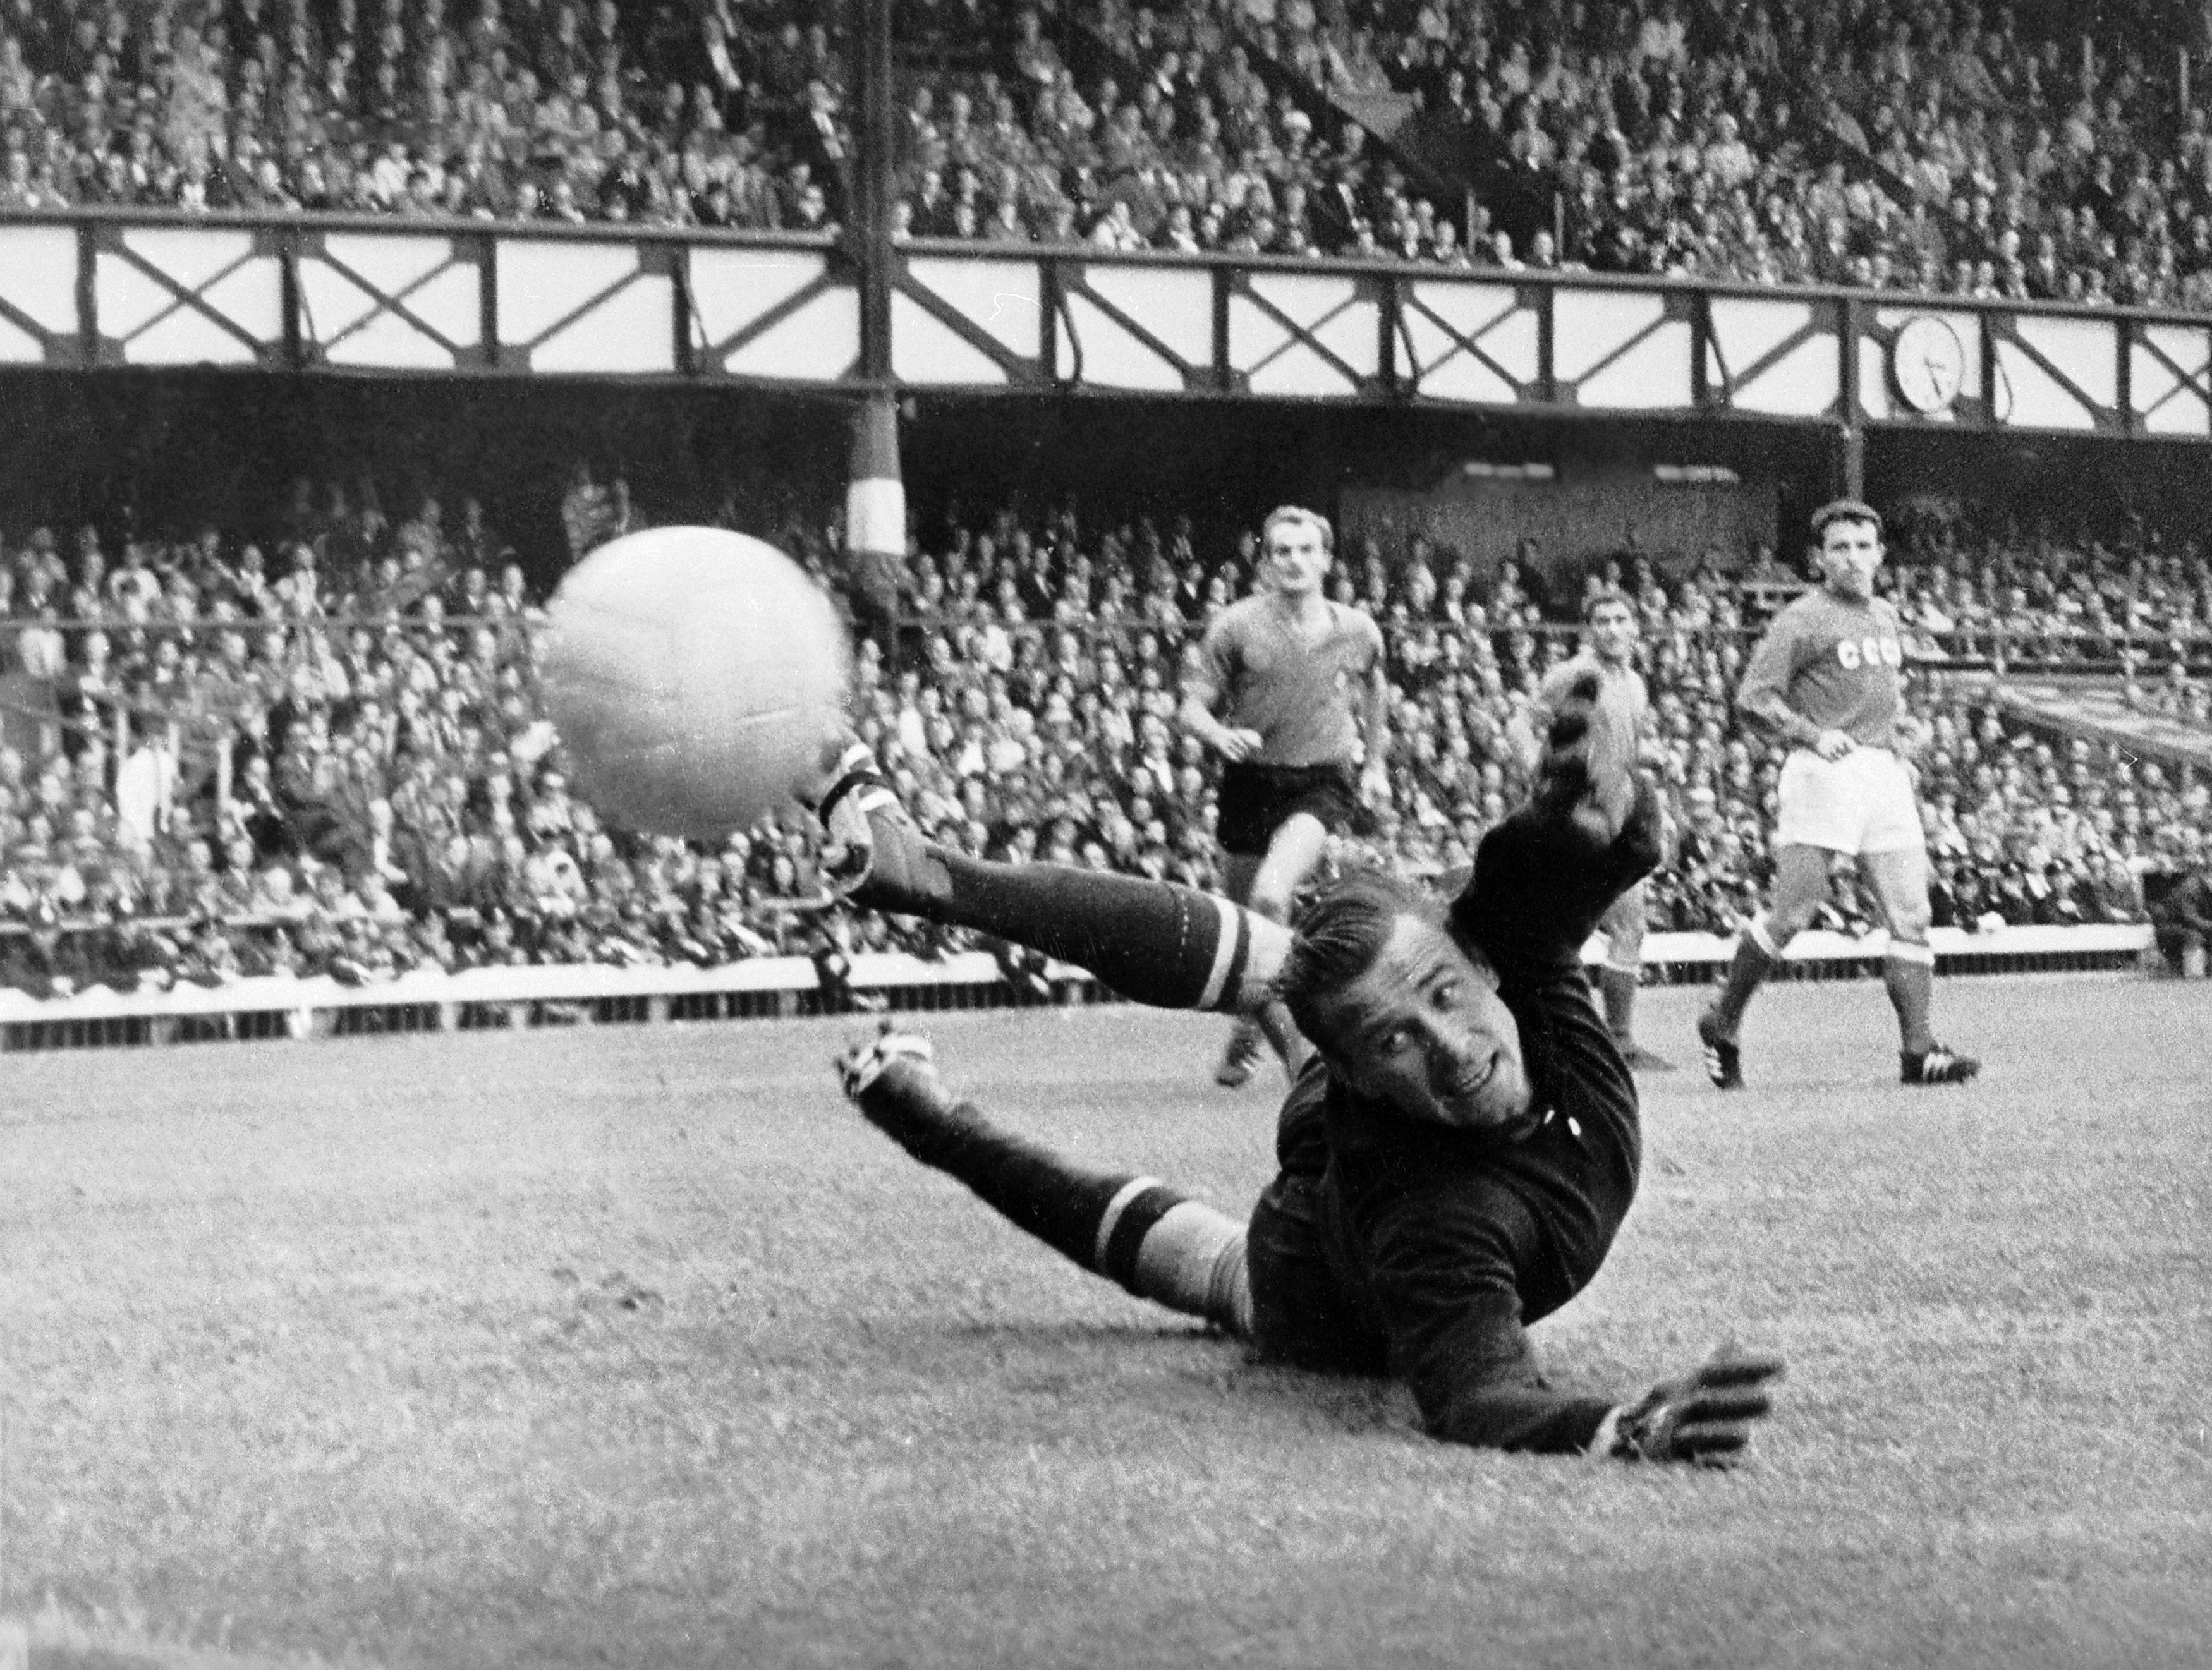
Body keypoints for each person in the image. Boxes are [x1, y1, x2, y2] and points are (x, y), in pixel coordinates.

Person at [806, 675, 1785, 1463]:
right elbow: (1479, 1392)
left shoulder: (1506, 960)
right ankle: (925, 1097)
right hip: (1308, 1274)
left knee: (1305, 970)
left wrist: (1591, 797)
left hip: (1360, 1072)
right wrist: (1617, 1425)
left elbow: (1535, 879)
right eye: (1402, 1039)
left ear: (1481, 968)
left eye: (1447, 999)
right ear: (1361, 1074)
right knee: (1220, 1207)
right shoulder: (1435, 1219)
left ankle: (922, 870)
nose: (1453, 1047)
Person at [1696, 501, 1980, 1090]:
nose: (1852, 557)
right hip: (1825, 770)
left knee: (1912, 914)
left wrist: (1900, 731)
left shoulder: (1884, 614)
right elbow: (1754, 697)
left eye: (1862, 545)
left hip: (1882, 771)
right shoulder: (1801, 618)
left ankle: (1919, 1051)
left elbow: (1875, 691)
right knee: (1792, 915)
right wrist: (1811, 732)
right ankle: (1722, 1022)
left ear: (1880, 553)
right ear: (1820, 558)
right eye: (1840, 547)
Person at [1179, 506, 1389, 1089]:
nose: (1294, 561)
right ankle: (1250, 1023)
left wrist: (1374, 763)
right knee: (1247, 926)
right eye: (1282, 551)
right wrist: (1218, 734)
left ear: (1325, 559)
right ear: (1266, 562)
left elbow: (1375, 687)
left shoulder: (1356, 628)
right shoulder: (1236, 626)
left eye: (1305, 550)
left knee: (1273, 896)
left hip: (1321, 778)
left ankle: (1304, 1060)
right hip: (1251, 782)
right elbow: (1190, 705)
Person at [1521, 588, 1671, 1070]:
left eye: (1620, 618)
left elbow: (1621, 747)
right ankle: (1597, 1041)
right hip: (1578, 812)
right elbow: (1520, 727)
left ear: (1635, 627)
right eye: (1601, 620)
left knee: (1622, 925)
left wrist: (1646, 761)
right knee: (1587, 924)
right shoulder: (1573, 674)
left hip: (1618, 808)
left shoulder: (1635, 683)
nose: (1610, 628)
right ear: (1589, 630)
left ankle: (1615, 1041)